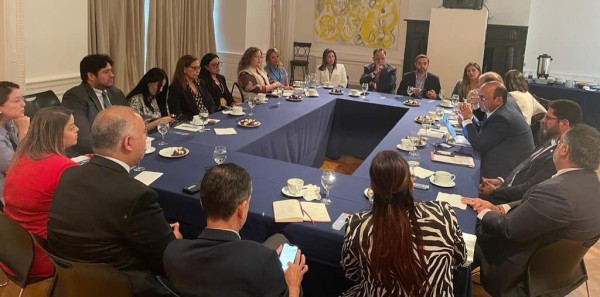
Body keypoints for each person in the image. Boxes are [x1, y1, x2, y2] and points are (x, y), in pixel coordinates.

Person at [48, 106, 182, 296]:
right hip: (119, 286)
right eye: (144, 133)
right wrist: (174, 241)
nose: (146, 139)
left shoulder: (69, 174)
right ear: (128, 143)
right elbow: (165, 257)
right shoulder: (137, 195)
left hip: (70, 281)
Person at [462, 124, 600, 296]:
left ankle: (455, 285)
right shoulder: (590, 183)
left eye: (559, 143)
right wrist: (500, 208)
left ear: (564, 149)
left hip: (517, 269)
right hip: (556, 271)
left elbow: (509, 230)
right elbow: (534, 203)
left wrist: (482, 212)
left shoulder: (557, 191)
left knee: (463, 231)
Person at [164, 163, 308, 297]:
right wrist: (294, 286)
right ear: (241, 208)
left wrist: (179, 244)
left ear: (202, 203)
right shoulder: (263, 261)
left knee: (278, 239)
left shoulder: (172, 252)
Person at [341, 150, 466, 296]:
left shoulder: (357, 226)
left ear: (372, 188)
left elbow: (351, 274)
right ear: (411, 184)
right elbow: (460, 259)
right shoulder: (444, 213)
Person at [2, 106, 78, 278]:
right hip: (43, 256)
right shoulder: (63, 167)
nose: (78, 129)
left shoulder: (21, 156)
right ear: (56, 133)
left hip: (13, 251)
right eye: (72, 127)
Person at [479, 100, 582, 204]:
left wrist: (496, 191)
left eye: (548, 118)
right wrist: (501, 181)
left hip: (513, 202)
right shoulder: (552, 140)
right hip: (506, 189)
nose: (543, 121)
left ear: (564, 124)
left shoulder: (560, 157)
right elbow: (525, 165)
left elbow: (529, 188)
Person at [458, 81, 534, 179]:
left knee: (461, 172)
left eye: (483, 98)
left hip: (505, 171)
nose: (478, 101)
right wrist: (469, 117)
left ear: (498, 100)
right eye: (479, 96)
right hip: (504, 158)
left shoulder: (502, 118)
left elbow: (478, 145)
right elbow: (483, 130)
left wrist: (467, 120)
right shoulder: (500, 106)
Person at [62, 54, 127, 157]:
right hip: (89, 155)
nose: (112, 75)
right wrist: (118, 146)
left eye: (111, 70)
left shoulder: (116, 93)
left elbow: (128, 123)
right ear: (91, 76)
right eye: (106, 72)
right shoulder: (75, 97)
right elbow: (83, 138)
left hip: (119, 150)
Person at [0, 81, 29, 208]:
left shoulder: (8, 123)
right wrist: (23, 131)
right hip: (6, 193)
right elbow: (17, 168)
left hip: (18, 183)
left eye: (22, 99)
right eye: (17, 101)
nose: (23, 104)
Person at [168, 54, 216, 120]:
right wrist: (197, 120)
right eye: (194, 68)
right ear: (184, 69)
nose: (198, 71)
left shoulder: (200, 82)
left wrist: (210, 117)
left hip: (208, 120)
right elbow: (177, 114)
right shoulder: (175, 88)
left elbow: (211, 103)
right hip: (190, 124)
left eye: (199, 68)